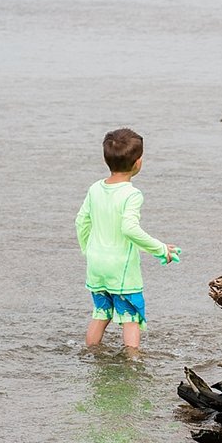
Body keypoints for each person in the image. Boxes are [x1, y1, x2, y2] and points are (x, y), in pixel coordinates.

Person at [75, 128, 177, 349]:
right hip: (120, 269)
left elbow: (81, 221)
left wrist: (88, 250)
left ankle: (91, 354)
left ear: (106, 160)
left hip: (96, 265)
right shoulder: (131, 194)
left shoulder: (95, 189)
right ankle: (133, 364)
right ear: (138, 162)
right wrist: (161, 249)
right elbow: (130, 229)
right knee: (131, 317)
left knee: (101, 313)